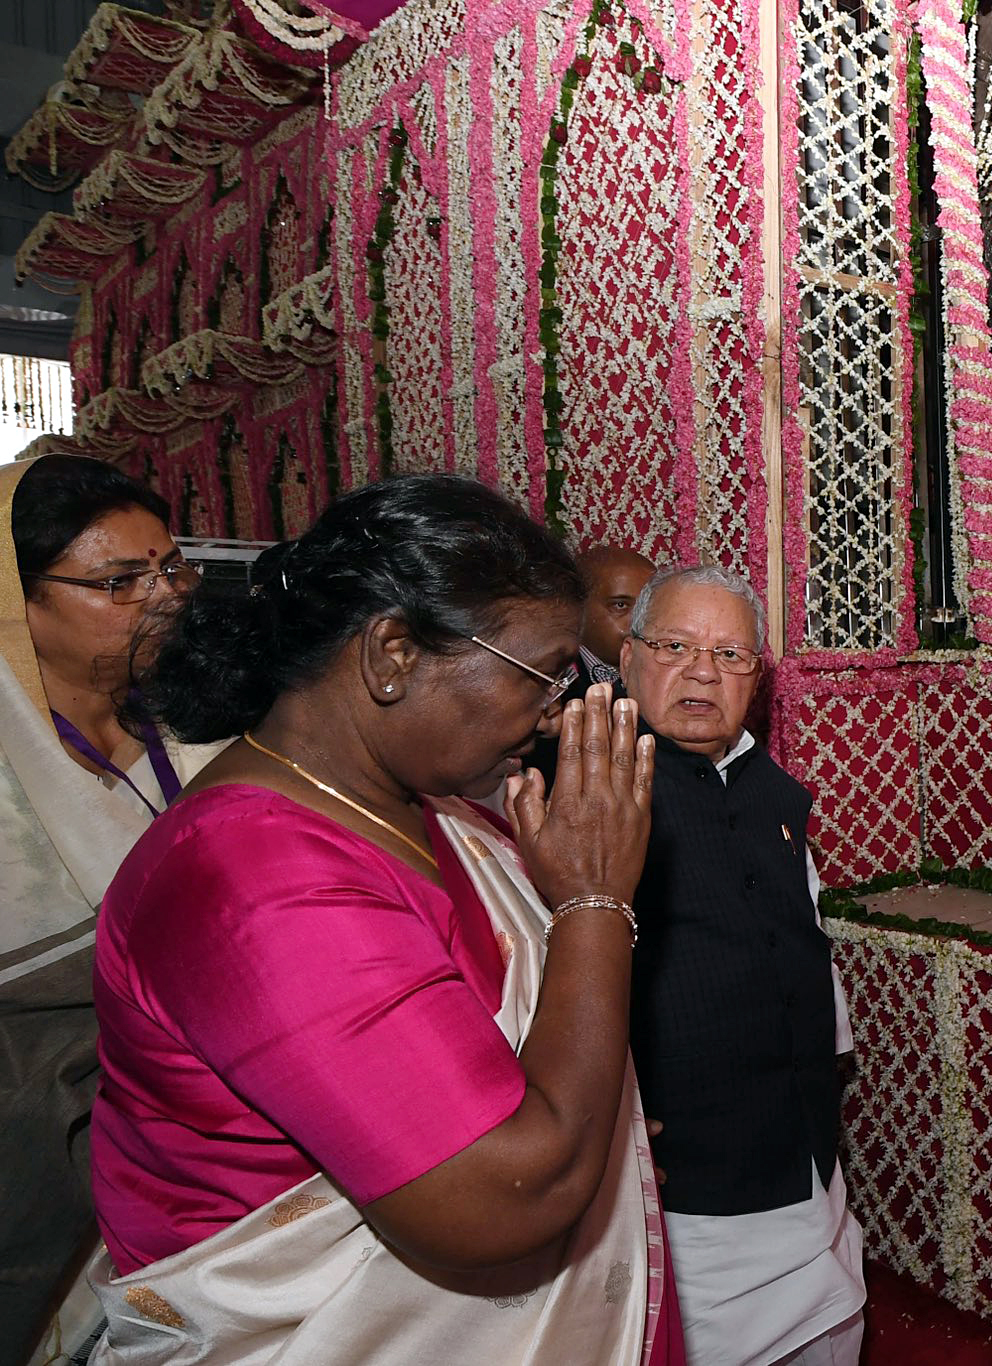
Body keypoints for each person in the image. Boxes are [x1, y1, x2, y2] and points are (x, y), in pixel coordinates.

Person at [87, 475, 676, 1363]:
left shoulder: (429, 805)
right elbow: (502, 1199)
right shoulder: (251, 882)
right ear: (393, 654)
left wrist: (599, 1130)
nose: (552, 715)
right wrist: (596, 901)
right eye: (541, 677)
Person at [619, 564, 863, 1366]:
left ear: (758, 678)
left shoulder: (778, 795)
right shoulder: (587, 792)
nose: (702, 671)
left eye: (731, 656)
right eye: (676, 646)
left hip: (805, 1158)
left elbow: (806, 946)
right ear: (627, 660)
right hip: (689, 1191)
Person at [0, 455, 214, 1366]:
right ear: (19, 604)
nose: (163, 597)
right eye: (118, 581)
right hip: (48, 1150)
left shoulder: (207, 726)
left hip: (208, 1151)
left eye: (169, 567)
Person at [576, 544, 656, 693]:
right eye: (621, 605)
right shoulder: (552, 684)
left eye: (649, 605)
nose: (640, 619)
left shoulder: (674, 672)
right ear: (577, 606)